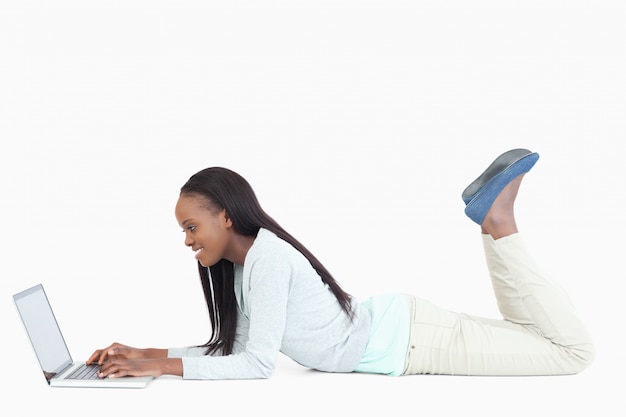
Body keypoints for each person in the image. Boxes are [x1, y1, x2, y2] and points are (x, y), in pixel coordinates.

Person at [88, 148, 595, 379]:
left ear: (224, 216)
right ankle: (494, 223)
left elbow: (259, 367)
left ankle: (499, 223)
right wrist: (142, 351)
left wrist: (156, 365)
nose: (186, 241)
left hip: (415, 342)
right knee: (533, 334)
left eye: (191, 227)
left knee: (570, 353)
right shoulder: (248, 266)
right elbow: (238, 349)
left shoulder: (267, 260)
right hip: (405, 328)